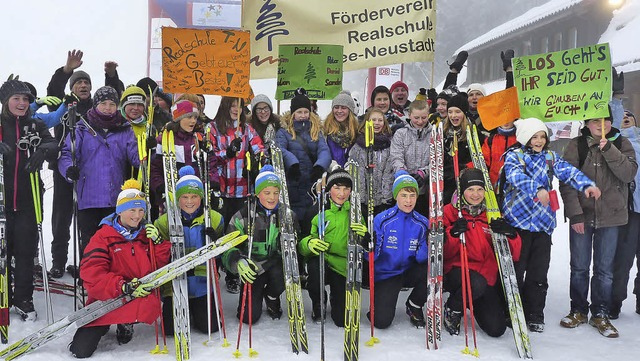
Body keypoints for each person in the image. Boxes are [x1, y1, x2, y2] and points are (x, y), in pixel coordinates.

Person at [501, 118, 601, 333]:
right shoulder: (513, 156)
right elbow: (515, 176)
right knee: (516, 271)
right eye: (534, 136)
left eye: (542, 136)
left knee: (538, 273)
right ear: (525, 138)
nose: (538, 141)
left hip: (542, 224)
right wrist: (537, 189)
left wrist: (586, 185)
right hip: (517, 222)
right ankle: (512, 310)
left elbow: (568, 172)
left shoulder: (550, 157)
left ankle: (535, 312)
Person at [68, 180, 171, 358]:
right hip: (107, 297)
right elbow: (92, 274)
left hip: (137, 296)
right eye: (132, 210)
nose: (137, 216)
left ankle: (126, 322)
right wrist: (122, 286)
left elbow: (158, 268)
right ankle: (108, 323)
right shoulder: (103, 236)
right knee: (80, 350)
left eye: (141, 210)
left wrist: (159, 244)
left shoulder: (145, 234)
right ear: (120, 211)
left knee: (149, 304)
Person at [559, 111, 637, 338]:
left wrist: (608, 149)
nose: (600, 124)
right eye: (595, 120)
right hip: (583, 215)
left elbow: (628, 174)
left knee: (604, 271)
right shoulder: (577, 145)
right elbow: (567, 180)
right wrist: (575, 215)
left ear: (611, 122)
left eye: (605, 120)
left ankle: (600, 313)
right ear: (587, 123)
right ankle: (578, 310)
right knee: (579, 267)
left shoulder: (622, 143)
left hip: (612, 217)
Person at [58, 86, 140, 257]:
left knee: (114, 243)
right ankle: (88, 279)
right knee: (90, 242)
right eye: (103, 103)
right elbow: (67, 153)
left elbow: (136, 158)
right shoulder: (81, 128)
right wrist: (69, 169)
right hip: (88, 197)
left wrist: (148, 148)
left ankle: (111, 279)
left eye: (112, 104)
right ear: (95, 105)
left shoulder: (124, 128)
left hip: (114, 198)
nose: (108, 108)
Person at [0, 78, 58, 320]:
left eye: (26, 99)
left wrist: (43, 151)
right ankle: (3, 295)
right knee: (2, 251)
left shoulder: (34, 125)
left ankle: (23, 299)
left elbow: (53, 143)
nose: (22, 103)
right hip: (2, 201)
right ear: (6, 102)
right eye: (17, 98)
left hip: (28, 199)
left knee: (24, 252)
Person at [443, 168, 522, 338]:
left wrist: (511, 234)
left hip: (485, 278)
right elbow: (442, 254)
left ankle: (469, 300)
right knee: (475, 282)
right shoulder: (450, 212)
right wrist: (453, 233)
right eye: (470, 189)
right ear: (462, 191)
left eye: (480, 189)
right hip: (457, 271)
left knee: (496, 329)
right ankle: (454, 307)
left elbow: (514, 255)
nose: (476, 194)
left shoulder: (491, 214)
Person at [154, 166, 224, 334]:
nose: (189, 201)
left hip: (202, 284)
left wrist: (216, 243)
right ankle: (182, 308)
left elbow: (223, 255)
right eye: (184, 197)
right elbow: (158, 257)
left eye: (194, 196)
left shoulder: (214, 219)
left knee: (211, 328)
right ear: (177, 199)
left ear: (201, 197)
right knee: (170, 331)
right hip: (176, 284)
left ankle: (196, 309)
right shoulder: (164, 222)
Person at [224, 165, 297, 322]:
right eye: (267, 193)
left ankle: (272, 296)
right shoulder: (242, 215)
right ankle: (256, 296)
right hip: (253, 266)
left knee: (282, 273)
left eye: (276, 193)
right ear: (257, 193)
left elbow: (296, 245)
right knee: (248, 317)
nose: (272, 197)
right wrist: (238, 262)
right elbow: (229, 247)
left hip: (276, 264)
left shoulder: (288, 215)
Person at [208, 96, 264, 294]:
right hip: (222, 189)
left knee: (238, 233)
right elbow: (211, 156)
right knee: (220, 231)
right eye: (232, 105)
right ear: (225, 106)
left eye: (239, 106)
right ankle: (214, 270)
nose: (235, 109)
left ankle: (233, 274)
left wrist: (259, 160)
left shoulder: (246, 129)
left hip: (242, 188)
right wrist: (228, 153)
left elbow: (259, 147)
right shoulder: (214, 128)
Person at [46, 50, 94, 278]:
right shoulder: (62, 105)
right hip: (64, 170)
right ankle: (58, 261)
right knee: (61, 217)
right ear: (72, 87)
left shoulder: (96, 108)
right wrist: (67, 70)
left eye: (86, 82)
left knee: (86, 219)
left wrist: (112, 77)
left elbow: (116, 98)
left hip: (90, 173)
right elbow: (52, 91)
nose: (83, 85)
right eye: (79, 82)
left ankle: (86, 263)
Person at [299, 165, 367, 326]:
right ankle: (318, 301)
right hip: (322, 259)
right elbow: (301, 243)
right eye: (337, 188)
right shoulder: (317, 210)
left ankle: (338, 301)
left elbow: (369, 245)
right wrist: (309, 243)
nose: (342, 193)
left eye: (346, 188)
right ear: (330, 189)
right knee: (315, 272)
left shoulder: (357, 211)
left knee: (341, 320)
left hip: (343, 264)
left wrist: (366, 236)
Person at [367, 171, 429, 328]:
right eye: (404, 195)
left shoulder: (422, 222)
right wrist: (369, 246)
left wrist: (428, 245)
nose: (408, 201)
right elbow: (372, 258)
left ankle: (414, 304)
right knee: (381, 322)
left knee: (434, 270)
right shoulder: (383, 220)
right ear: (396, 196)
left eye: (412, 195)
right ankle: (379, 306)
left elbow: (422, 259)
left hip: (408, 270)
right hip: (387, 274)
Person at [276, 88, 331, 233]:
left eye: (306, 112)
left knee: (311, 219)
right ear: (293, 113)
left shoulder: (315, 131)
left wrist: (320, 166)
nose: (303, 115)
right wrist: (292, 163)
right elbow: (280, 149)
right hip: (293, 180)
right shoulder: (284, 132)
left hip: (311, 182)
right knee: (294, 220)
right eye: (299, 112)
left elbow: (324, 150)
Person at [611, 110, 640, 318]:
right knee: (622, 260)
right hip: (628, 211)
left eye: (631, 115)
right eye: (623, 114)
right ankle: (614, 302)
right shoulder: (614, 143)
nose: (627, 117)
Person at [150, 99, 202, 208]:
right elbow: (155, 167)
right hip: (172, 194)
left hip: (195, 194)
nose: (193, 121)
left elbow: (210, 165)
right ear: (178, 118)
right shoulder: (164, 139)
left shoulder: (198, 139)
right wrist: (160, 187)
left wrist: (213, 186)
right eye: (189, 117)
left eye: (195, 117)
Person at [347, 107, 395, 216]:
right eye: (373, 120)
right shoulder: (359, 145)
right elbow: (357, 172)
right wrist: (360, 198)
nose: (377, 123)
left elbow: (389, 172)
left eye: (380, 120)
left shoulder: (389, 144)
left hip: (382, 198)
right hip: (364, 199)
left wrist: (386, 198)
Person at [389, 100, 432, 217]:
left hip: (424, 190)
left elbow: (437, 160)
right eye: (416, 117)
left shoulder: (434, 134)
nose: (420, 121)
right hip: (403, 187)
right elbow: (396, 156)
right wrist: (403, 174)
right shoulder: (401, 133)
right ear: (410, 115)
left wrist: (424, 173)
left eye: (424, 117)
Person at [442, 93, 476, 205]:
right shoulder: (443, 133)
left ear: (464, 113)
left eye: (457, 112)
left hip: (465, 183)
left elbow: (478, 159)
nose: (453, 116)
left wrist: (464, 169)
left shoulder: (473, 134)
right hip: (446, 184)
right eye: (450, 112)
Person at [324, 90, 359, 166]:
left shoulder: (357, 131)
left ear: (350, 110)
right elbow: (323, 154)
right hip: (331, 173)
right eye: (336, 107)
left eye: (343, 108)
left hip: (350, 173)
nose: (339, 111)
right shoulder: (325, 130)